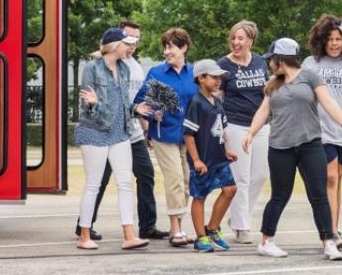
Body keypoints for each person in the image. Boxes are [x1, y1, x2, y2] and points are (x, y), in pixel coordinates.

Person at [243, 37, 342, 261]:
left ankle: (329, 243)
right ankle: (266, 242)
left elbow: (328, 102)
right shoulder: (273, 82)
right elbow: (264, 111)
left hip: (310, 144)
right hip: (280, 147)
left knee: (319, 195)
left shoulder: (310, 76)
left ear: (280, 59)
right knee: (280, 195)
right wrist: (250, 133)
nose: (269, 63)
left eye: (271, 59)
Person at [75, 20, 168, 241]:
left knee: (127, 182)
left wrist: (137, 109)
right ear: (116, 44)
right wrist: (93, 103)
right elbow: (86, 108)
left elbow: (122, 104)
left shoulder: (126, 69)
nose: (133, 47)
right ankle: (84, 234)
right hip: (95, 133)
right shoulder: (92, 69)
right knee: (94, 184)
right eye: (129, 42)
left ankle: (131, 235)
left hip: (122, 133)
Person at [302, 13, 342, 249]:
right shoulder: (311, 63)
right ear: (322, 39)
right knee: (329, 178)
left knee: (337, 180)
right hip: (318, 131)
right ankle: (329, 232)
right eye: (330, 39)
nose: (334, 43)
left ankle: (334, 229)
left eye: (338, 39)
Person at [133, 27, 197, 247]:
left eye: (171, 47)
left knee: (187, 181)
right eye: (166, 47)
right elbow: (141, 103)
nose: (166, 51)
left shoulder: (194, 73)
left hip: (189, 137)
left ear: (184, 48)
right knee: (175, 179)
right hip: (163, 134)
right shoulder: (157, 73)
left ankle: (178, 225)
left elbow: (200, 104)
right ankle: (175, 229)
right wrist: (150, 114)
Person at [216, 20, 269, 244]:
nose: (236, 42)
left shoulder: (260, 62)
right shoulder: (223, 65)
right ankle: (241, 227)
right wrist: (220, 129)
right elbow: (218, 98)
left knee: (261, 174)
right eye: (233, 38)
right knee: (241, 177)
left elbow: (267, 91)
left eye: (240, 38)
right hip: (236, 125)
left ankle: (239, 217)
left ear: (251, 40)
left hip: (261, 125)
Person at [183, 59, 238, 252]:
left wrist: (226, 150)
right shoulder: (196, 103)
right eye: (213, 77)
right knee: (200, 196)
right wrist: (196, 160)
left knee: (230, 189)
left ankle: (213, 228)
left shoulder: (217, 101)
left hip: (219, 158)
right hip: (203, 160)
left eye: (219, 77)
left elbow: (220, 130)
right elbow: (188, 135)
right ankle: (201, 237)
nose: (218, 81)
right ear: (201, 78)